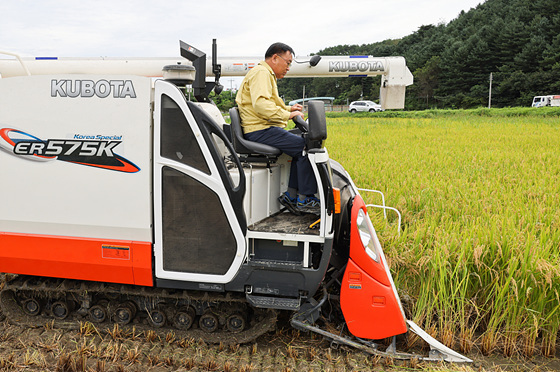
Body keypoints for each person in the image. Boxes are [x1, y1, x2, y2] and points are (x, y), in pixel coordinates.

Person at [235, 42, 318, 213]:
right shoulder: (261, 73)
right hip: (259, 130)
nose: (288, 68)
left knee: (299, 147)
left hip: (261, 127)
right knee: (304, 147)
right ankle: (305, 199)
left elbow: (270, 103)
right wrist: (288, 115)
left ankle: (292, 196)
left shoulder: (266, 74)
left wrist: (289, 109)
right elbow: (261, 105)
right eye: (287, 62)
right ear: (275, 58)